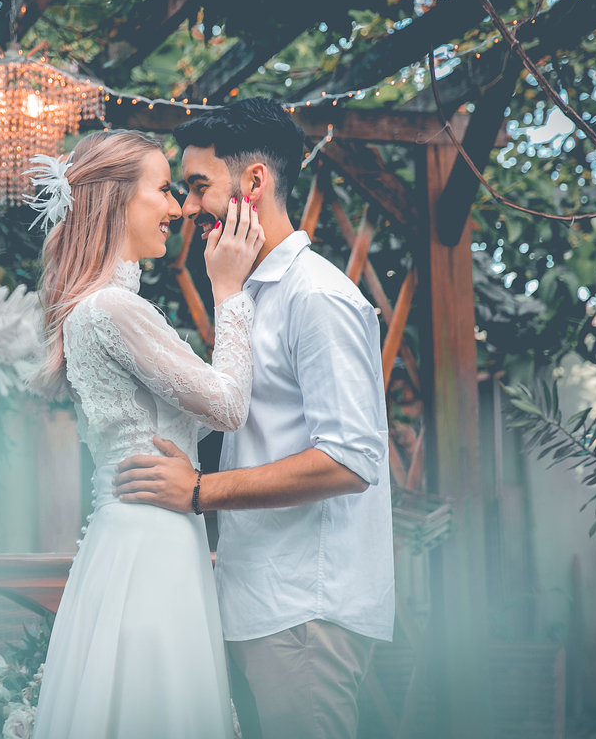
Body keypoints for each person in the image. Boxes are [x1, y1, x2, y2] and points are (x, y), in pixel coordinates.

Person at [111, 98, 394, 739]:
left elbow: (351, 459)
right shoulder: (248, 292)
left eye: (198, 186)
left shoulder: (318, 297)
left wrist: (201, 493)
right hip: (260, 602)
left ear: (255, 183)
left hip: (304, 610)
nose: (187, 208)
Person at [28, 129, 264, 738]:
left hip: (131, 534)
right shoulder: (113, 309)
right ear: (116, 202)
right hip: (152, 539)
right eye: (163, 190)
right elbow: (228, 405)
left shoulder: (89, 308)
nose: (179, 208)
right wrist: (230, 291)